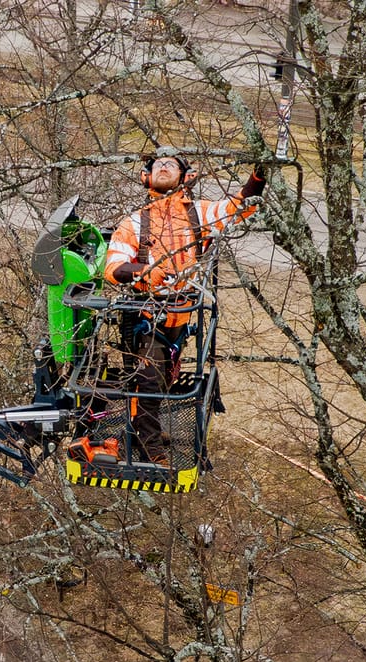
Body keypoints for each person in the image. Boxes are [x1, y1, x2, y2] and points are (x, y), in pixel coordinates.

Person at [102, 147, 265, 464]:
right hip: (146, 316)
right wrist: (144, 271)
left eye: (170, 164)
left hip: (180, 319)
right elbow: (114, 268)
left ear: (187, 176)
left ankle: (139, 430)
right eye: (157, 165)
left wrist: (258, 177)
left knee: (163, 379)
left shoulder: (198, 215)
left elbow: (238, 208)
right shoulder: (135, 223)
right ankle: (150, 449)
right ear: (145, 177)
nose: (163, 167)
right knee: (146, 381)